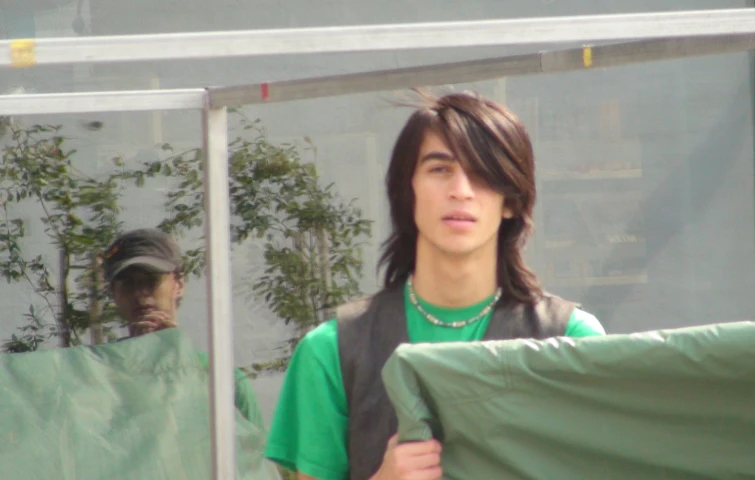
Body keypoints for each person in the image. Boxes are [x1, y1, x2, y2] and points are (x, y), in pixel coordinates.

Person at [265, 91, 606, 480]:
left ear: (511, 200)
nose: (460, 190)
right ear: (406, 191)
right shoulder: (332, 351)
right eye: (440, 169)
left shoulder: (572, 341)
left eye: (481, 173)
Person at [102, 227, 265, 430]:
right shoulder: (102, 378)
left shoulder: (222, 381)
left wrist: (178, 355)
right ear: (114, 294)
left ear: (179, 284)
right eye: (128, 284)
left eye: (151, 281)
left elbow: (254, 458)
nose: (141, 294)